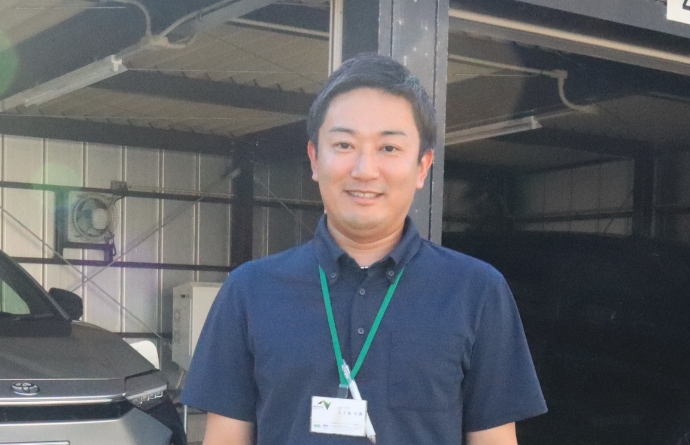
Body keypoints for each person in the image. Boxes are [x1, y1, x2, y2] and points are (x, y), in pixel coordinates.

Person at [181, 53, 547, 445]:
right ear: (314, 159)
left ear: (422, 166)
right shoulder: (250, 291)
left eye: (389, 148)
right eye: (344, 144)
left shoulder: (476, 291)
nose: (364, 170)